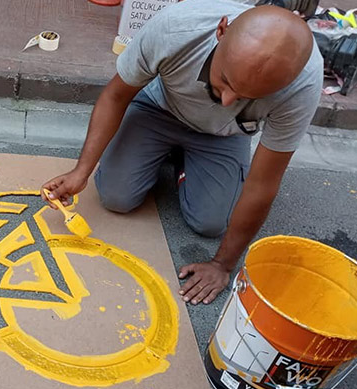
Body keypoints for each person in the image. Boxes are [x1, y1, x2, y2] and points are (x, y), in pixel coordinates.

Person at [41, 0, 323, 305]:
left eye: (246, 97)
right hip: (158, 110)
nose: (227, 101)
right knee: (115, 197)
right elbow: (116, 96)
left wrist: (222, 265)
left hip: (223, 135)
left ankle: (180, 162)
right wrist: (81, 172)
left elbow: (263, 183)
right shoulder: (176, 27)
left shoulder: (302, 83)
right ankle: (161, 151)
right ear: (221, 30)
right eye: (226, 81)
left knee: (211, 224)